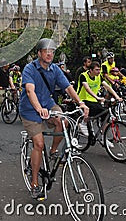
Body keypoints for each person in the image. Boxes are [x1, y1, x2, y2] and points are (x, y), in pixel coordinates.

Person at [19, 38, 89, 200]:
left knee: (63, 121)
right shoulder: (30, 69)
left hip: (49, 104)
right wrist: (39, 109)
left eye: (52, 51)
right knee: (38, 143)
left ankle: (53, 151)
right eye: (46, 51)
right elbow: (30, 91)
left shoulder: (55, 69)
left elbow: (68, 87)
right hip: (30, 109)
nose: (50, 54)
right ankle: (35, 183)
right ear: (39, 53)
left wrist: (81, 103)